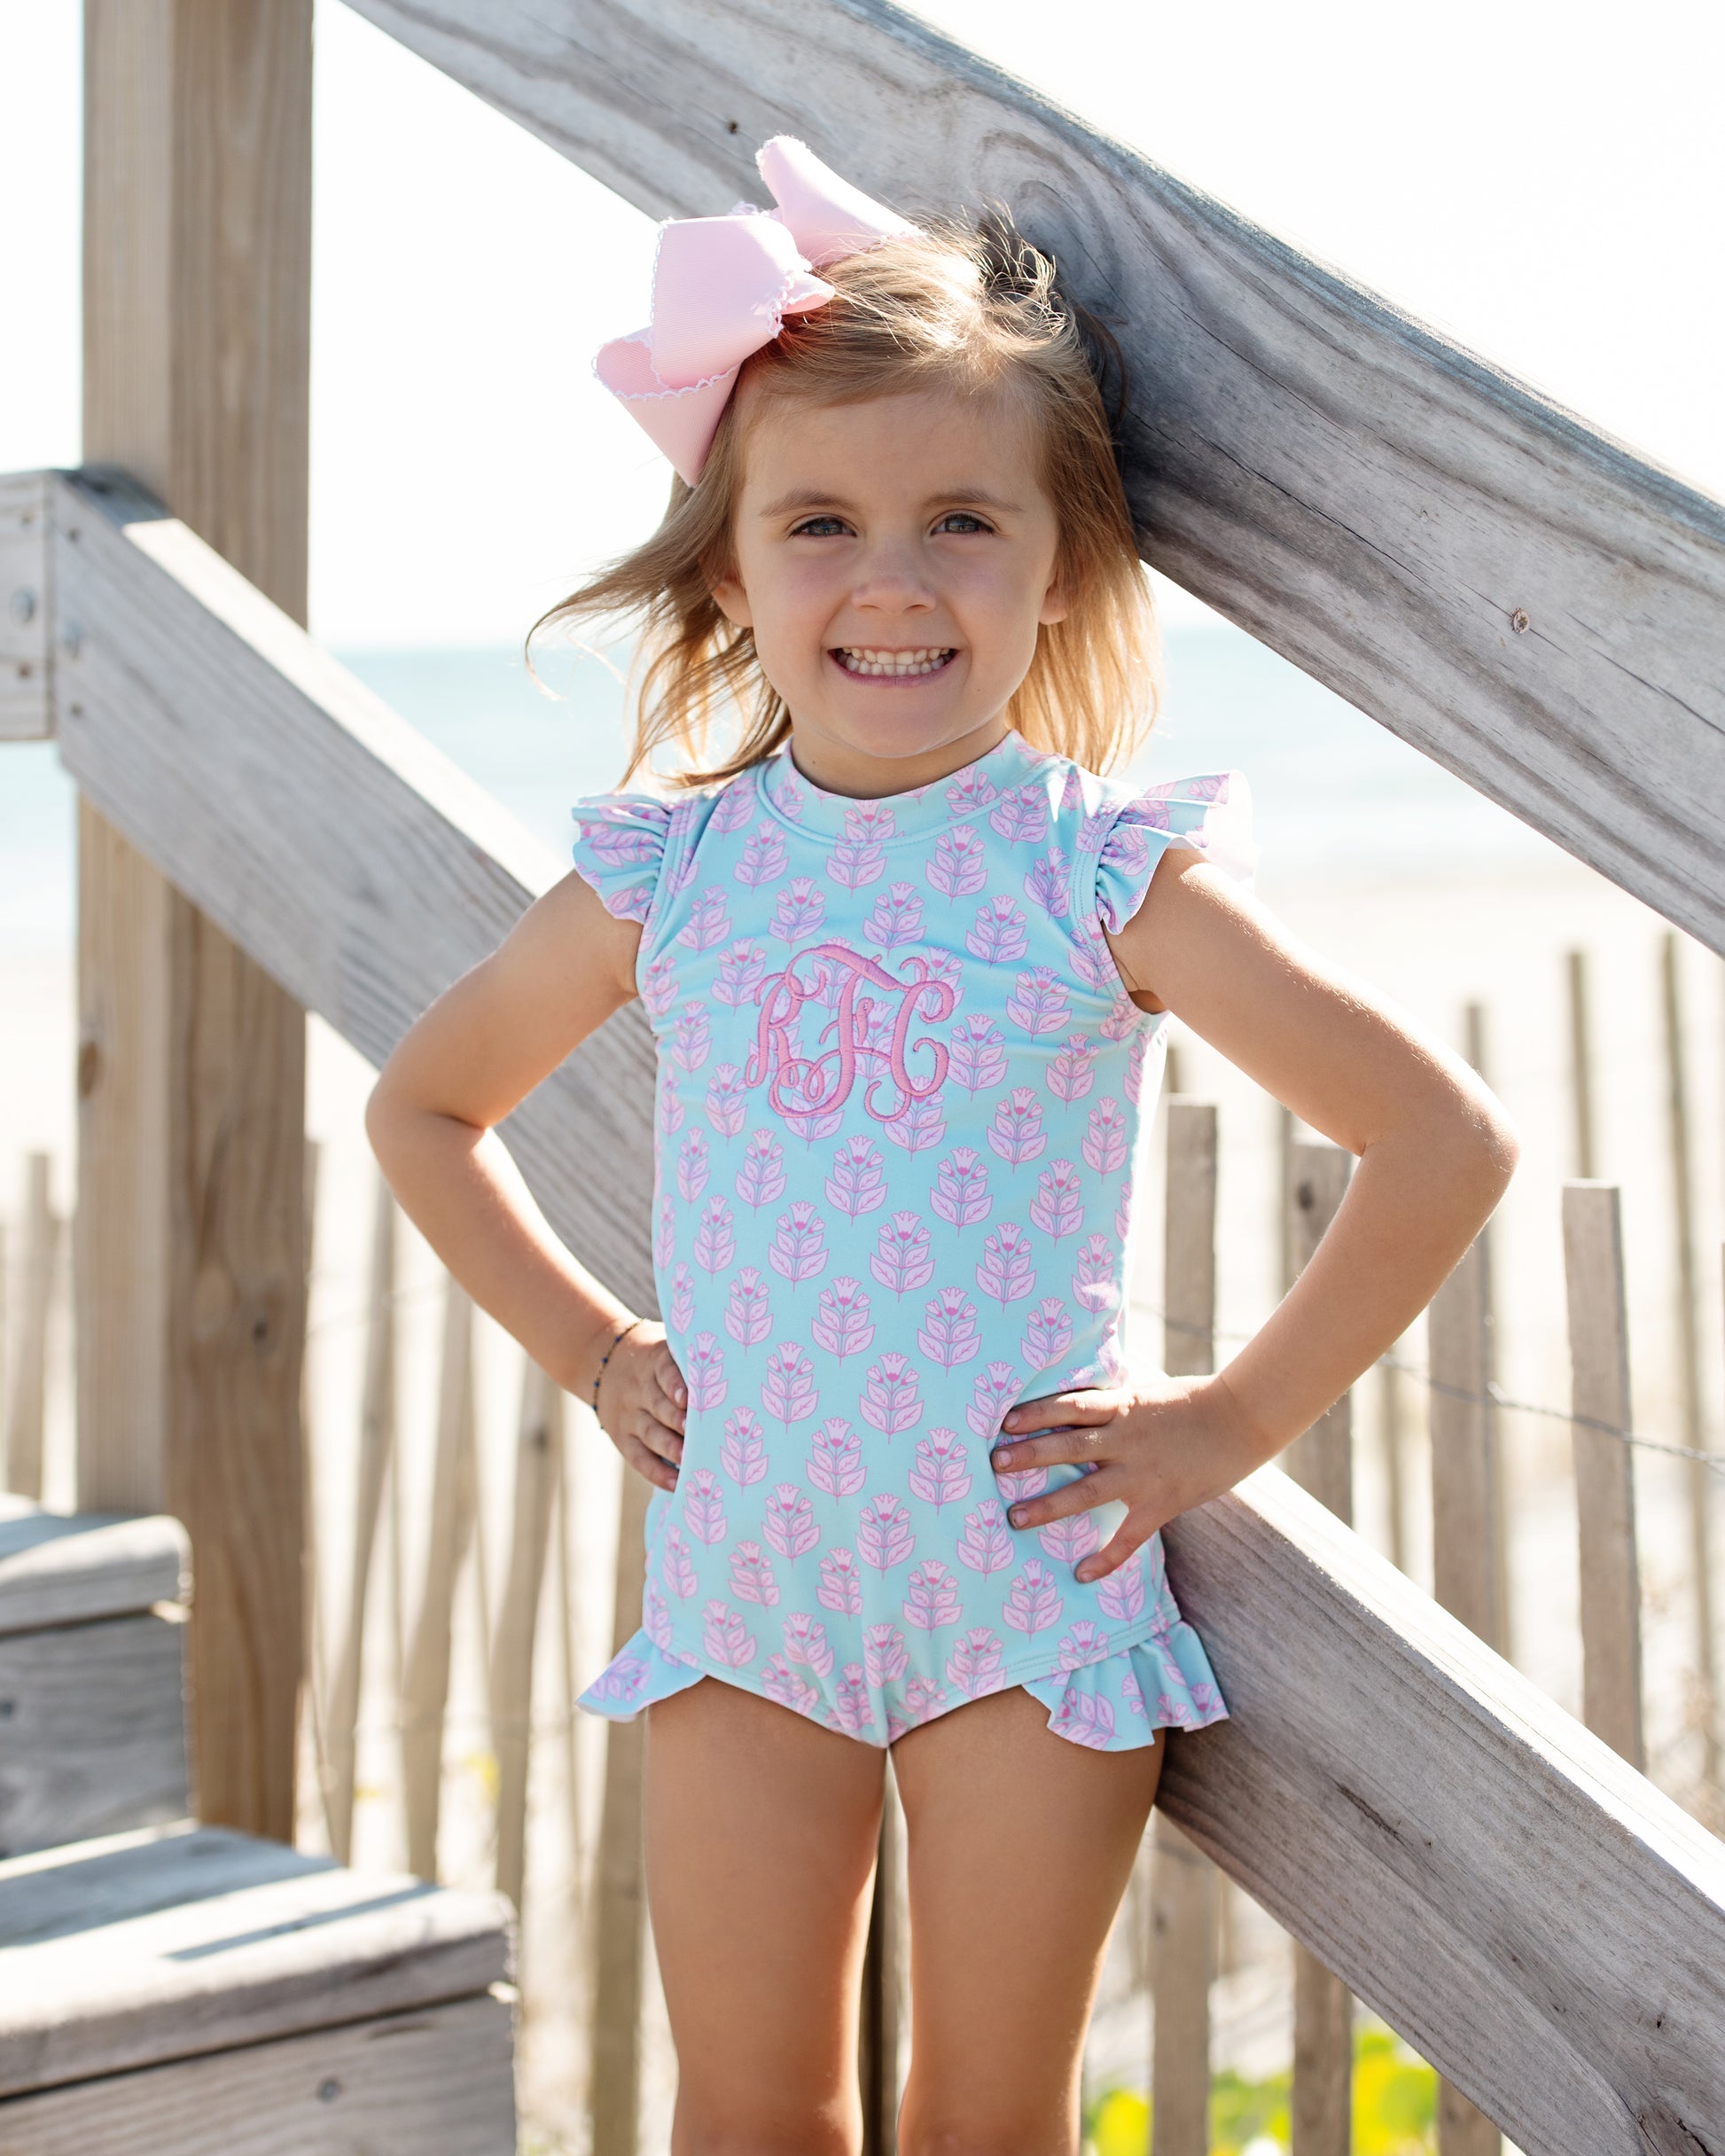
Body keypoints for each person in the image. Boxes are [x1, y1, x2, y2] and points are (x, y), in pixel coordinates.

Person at [368, 137, 1517, 2156]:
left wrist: (1222, 1423)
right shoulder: (673, 870)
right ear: (726, 566)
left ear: (1058, 562)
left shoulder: (1097, 875)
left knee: (990, 2117)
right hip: (744, 1586)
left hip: (1020, 1602)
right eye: (819, 521)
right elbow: (425, 1105)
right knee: (750, 2113)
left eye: (960, 521)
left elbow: (1439, 1140)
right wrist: (590, 1347)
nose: (890, 581)